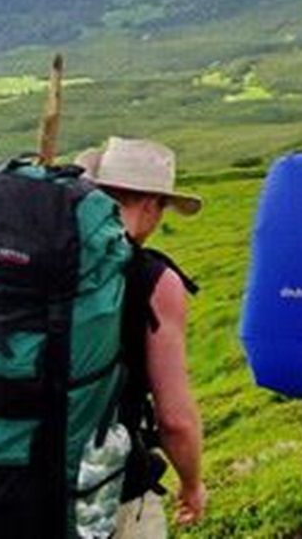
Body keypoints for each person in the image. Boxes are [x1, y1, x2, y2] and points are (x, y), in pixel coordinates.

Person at [76, 137, 207, 538]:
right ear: (150, 204)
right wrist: (191, 483)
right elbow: (175, 420)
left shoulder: (33, 262)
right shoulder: (154, 280)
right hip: (110, 491)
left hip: (7, 487)